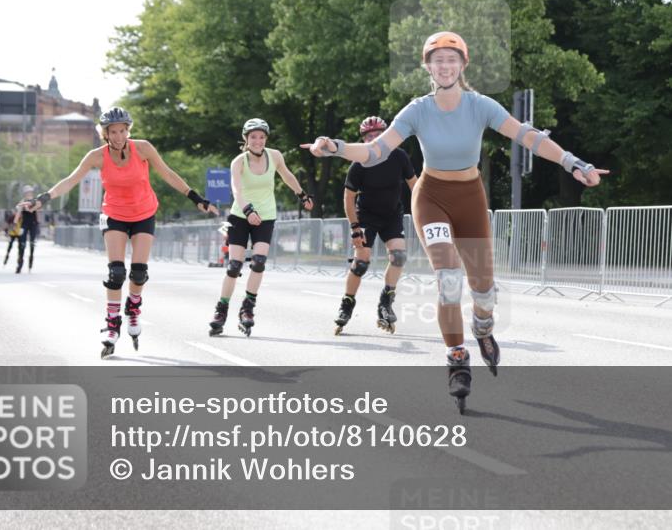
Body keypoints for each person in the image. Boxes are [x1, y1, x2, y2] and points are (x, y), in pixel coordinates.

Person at [303, 31, 608, 412]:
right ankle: (457, 357)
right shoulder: (417, 109)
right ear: (427, 67)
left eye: (452, 59)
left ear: (463, 65)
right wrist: (335, 148)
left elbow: (526, 136)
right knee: (448, 279)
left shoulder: (480, 105)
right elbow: (375, 149)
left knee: (483, 291)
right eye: (437, 60)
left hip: (470, 199)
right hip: (430, 197)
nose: (444, 66)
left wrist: (572, 162)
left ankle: (483, 327)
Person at [18, 107, 218, 358]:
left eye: (123, 130)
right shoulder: (96, 156)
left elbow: (167, 173)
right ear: (105, 133)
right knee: (116, 273)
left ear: (128, 130)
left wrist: (196, 198)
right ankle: (112, 323)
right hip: (114, 214)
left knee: (138, 272)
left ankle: (133, 308)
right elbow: (70, 180)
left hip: (144, 213)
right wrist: (42, 198)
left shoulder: (143, 148)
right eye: (113, 131)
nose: (119, 136)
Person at [209, 118, 314, 337]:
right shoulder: (239, 161)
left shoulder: (274, 156)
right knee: (234, 266)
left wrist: (302, 194)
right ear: (246, 139)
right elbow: (236, 190)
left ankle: (247, 308)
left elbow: (286, 175)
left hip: (266, 216)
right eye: (253, 137)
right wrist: (248, 210)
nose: (258, 141)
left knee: (258, 262)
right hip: (240, 216)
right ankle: (222, 309)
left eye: (262, 137)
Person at [334, 115, 417, 335]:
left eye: (378, 134)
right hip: (367, 216)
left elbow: (415, 186)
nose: (374, 139)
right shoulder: (359, 164)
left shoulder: (399, 156)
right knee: (361, 262)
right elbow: (348, 198)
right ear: (363, 141)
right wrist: (354, 228)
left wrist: (425, 212)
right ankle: (347, 304)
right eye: (369, 136)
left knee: (399, 256)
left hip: (392, 215)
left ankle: (386, 300)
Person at [13, 185, 41, 273]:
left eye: (30, 192)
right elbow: (18, 214)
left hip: (33, 225)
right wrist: (15, 223)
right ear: (24, 194)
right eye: (27, 193)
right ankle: (20, 263)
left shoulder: (36, 202)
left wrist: (38, 224)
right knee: (22, 244)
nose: (29, 194)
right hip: (24, 225)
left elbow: (37, 214)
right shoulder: (22, 202)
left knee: (32, 244)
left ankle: (30, 261)